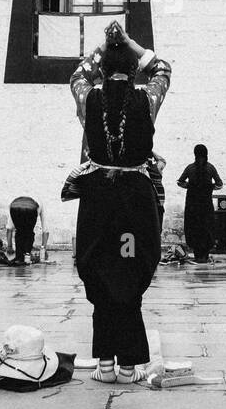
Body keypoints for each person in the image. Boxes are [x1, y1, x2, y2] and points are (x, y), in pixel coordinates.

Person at [68, 21, 171, 384]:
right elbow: (162, 68)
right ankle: (129, 365)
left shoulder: (89, 97)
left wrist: (104, 45)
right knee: (129, 268)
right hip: (134, 198)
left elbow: (78, 74)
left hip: (98, 197)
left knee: (99, 265)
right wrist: (129, 42)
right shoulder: (147, 98)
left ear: (103, 69)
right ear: (133, 70)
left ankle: (106, 365)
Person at [178, 144, 223, 263]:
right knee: (206, 226)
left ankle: (197, 255)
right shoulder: (210, 168)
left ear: (194, 154)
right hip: (206, 203)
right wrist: (210, 187)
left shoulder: (190, 168)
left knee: (193, 226)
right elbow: (220, 184)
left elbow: (180, 182)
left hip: (192, 204)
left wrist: (190, 186)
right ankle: (205, 254)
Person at [6, 195, 46, 265]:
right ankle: (27, 254)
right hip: (31, 207)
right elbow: (45, 229)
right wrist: (43, 249)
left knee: (19, 231)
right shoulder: (39, 203)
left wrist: (9, 246)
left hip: (15, 206)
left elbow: (9, 228)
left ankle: (19, 257)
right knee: (29, 232)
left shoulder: (13, 202)